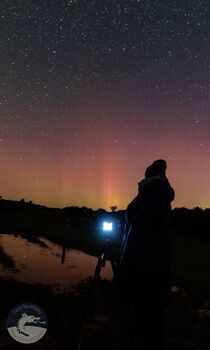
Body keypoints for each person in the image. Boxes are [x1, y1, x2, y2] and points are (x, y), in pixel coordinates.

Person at [116, 159, 175, 349]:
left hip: (144, 271)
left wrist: (124, 274)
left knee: (147, 320)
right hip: (154, 272)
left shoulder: (150, 197)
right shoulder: (157, 198)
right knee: (152, 321)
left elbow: (138, 238)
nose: (141, 182)